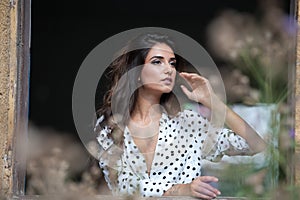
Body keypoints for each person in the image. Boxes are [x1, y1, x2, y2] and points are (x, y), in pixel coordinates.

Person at [94, 32, 266, 199]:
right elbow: (125, 187)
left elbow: (255, 145)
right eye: (157, 62)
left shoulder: (189, 124)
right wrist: (180, 190)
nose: (168, 69)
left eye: (172, 63)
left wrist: (214, 102)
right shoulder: (111, 125)